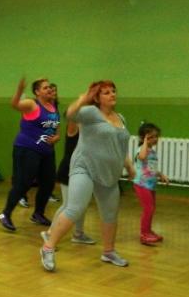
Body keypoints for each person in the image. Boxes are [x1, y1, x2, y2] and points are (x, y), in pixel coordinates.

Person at [39, 81, 135, 272]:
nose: (112, 94)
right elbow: (69, 115)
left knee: (110, 213)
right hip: (85, 167)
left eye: (113, 91)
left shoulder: (120, 118)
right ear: (97, 98)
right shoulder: (90, 113)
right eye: (106, 92)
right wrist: (83, 99)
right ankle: (48, 247)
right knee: (75, 208)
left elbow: (121, 148)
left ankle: (108, 252)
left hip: (108, 173)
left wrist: (130, 167)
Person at [0, 77, 60, 231]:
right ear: (37, 92)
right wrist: (20, 89)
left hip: (47, 151)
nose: (49, 89)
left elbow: (57, 130)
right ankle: (5, 214)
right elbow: (14, 104)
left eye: (50, 87)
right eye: (45, 88)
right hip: (27, 149)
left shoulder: (53, 107)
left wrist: (56, 138)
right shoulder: (32, 105)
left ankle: (38, 214)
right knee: (23, 183)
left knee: (48, 183)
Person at [52, 119, 96, 245]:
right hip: (68, 170)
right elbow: (73, 115)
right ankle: (50, 234)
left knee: (82, 204)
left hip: (82, 170)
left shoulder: (89, 129)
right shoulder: (73, 126)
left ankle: (78, 234)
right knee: (68, 205)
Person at [134, 122, 169, 245]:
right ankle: (144, 234)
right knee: (148, 208)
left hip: (150, 185)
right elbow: (142, 157)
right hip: (141, 184)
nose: (155, 139)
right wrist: (144, 142)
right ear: (143, 138)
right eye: (151, 137)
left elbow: (151, 168)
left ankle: (148, 231)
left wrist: (161, 175)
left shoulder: (152, 152)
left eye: (156, 136)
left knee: (151, 208)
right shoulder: (141, 150)